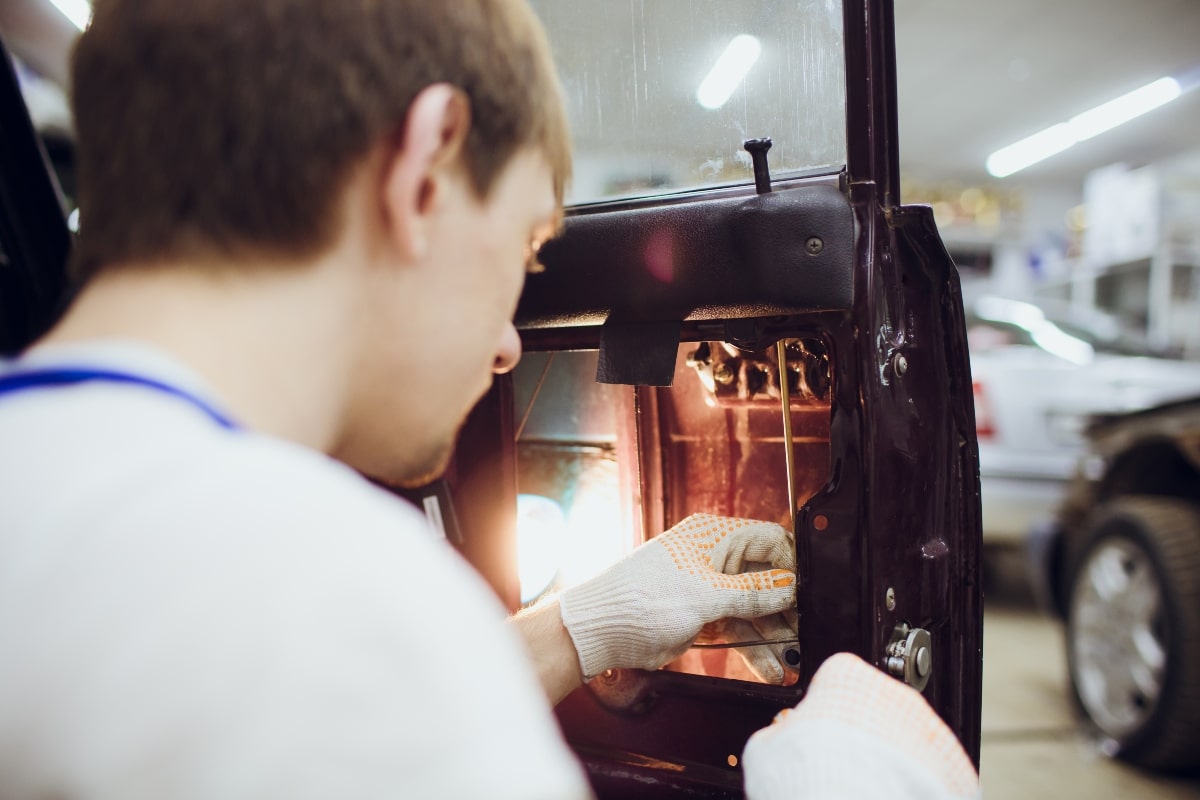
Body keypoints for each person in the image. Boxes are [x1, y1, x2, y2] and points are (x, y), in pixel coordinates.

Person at [0, 0, 979, 797]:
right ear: (426, 165)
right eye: (520, 252)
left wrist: (577, 627)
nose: (511, 342)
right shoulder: (331, 598)